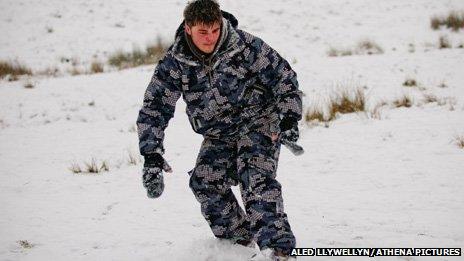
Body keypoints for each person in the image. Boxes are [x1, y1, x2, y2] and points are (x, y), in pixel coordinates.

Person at [136, 0, 302, 259]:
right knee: (205, 182)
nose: (210, 38)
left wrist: (289, 117)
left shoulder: (244, 46)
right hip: (219, 133)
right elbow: (155, 107)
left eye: (214, 30)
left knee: (254, 178)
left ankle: (277, 249)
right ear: (188, 28)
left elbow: (283, 77)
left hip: (258, 122)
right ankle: (238, 244)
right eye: (203, 32)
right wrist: (151, 155)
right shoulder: (175, 62)